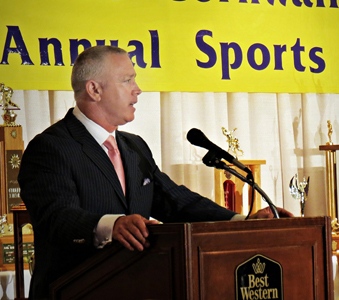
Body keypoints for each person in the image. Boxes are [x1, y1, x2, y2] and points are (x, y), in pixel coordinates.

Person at [18, 45, 293, 300]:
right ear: (94, 89)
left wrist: (241, 222)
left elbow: (177, 202)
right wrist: (111, 226)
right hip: (73, 292)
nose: (137, 90)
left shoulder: (134, 147)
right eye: (127, 80)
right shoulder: (50, 147)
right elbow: (56, 217)